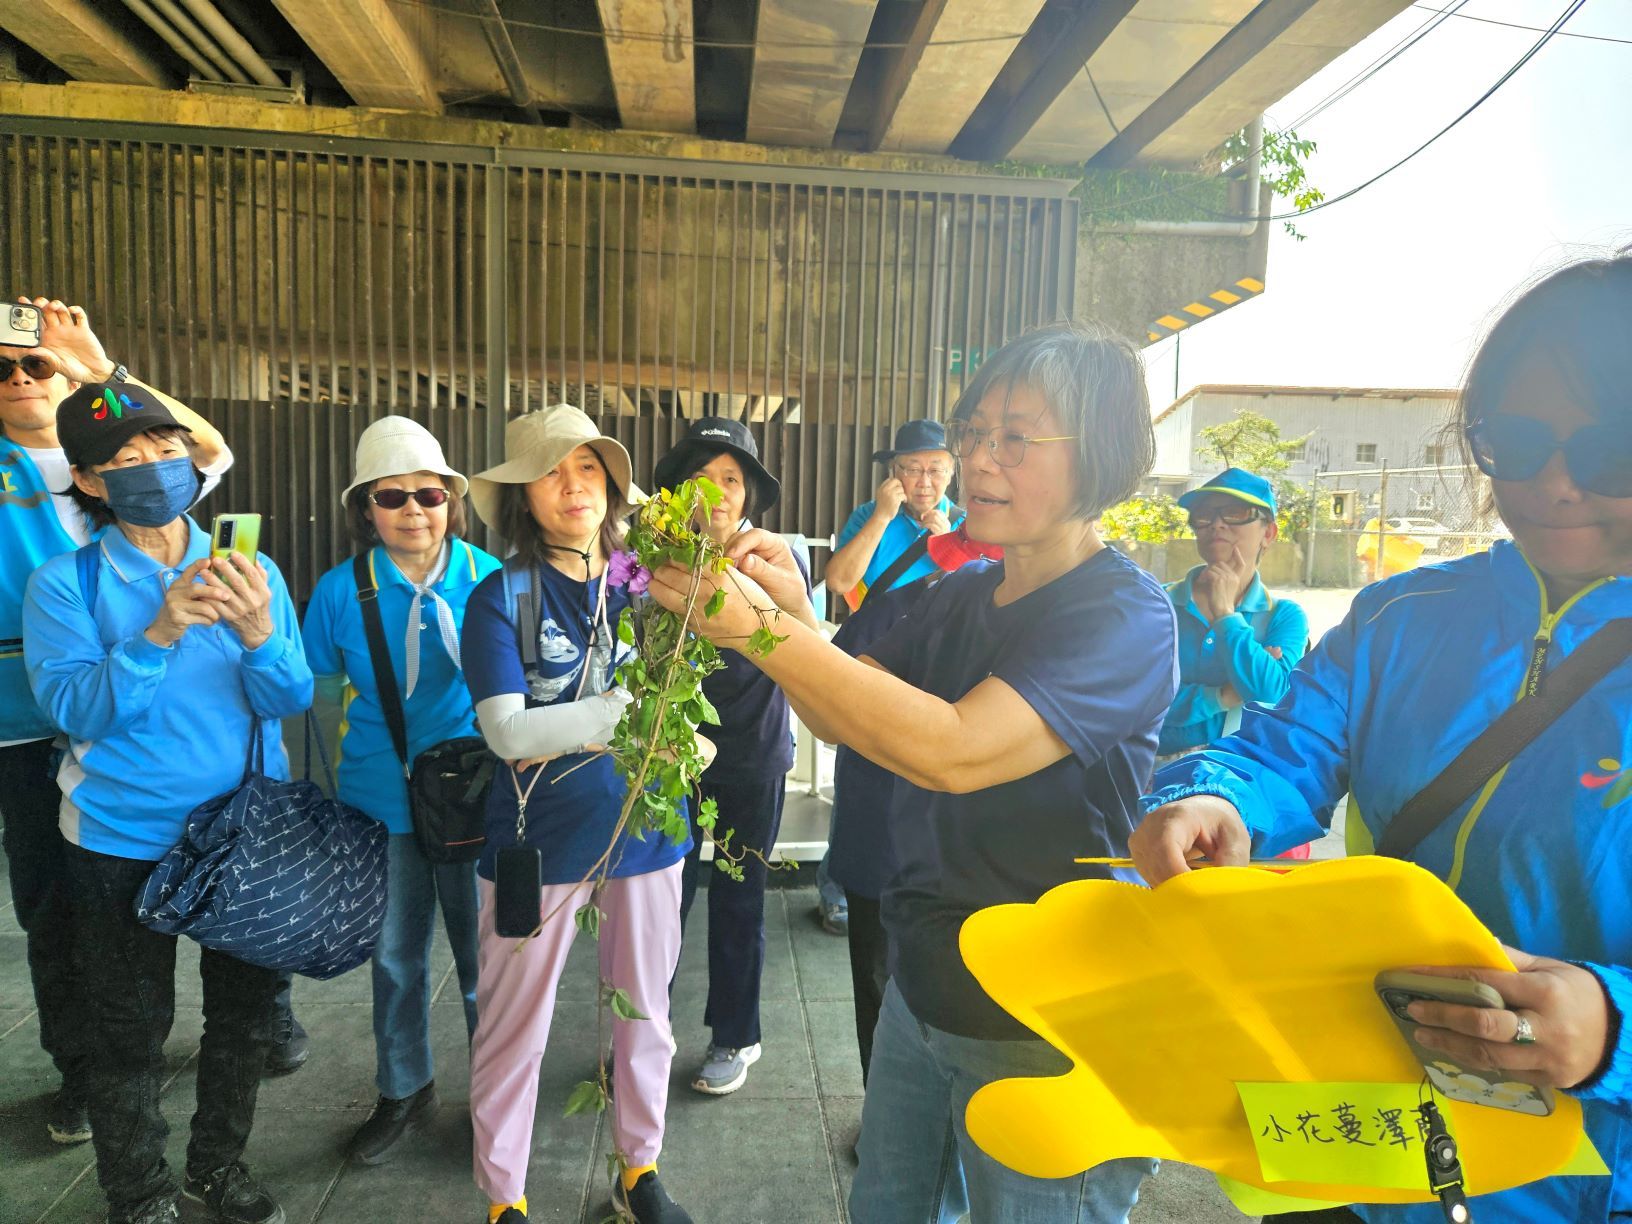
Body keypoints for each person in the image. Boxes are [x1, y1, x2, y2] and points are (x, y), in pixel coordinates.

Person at [1130, 254, 1632, 1223]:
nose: (1557, 485)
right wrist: (1215, 798)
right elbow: (1284, 744)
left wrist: (1613, 1028)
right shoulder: (1403, 616)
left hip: (1590, 1180)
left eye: (1614, 450)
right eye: (1520, 443)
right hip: (1368, 1132)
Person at [648, 322, 1177, 1223]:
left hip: (1050, 1021)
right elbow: (840, 707)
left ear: (1103, 457)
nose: (978, 460)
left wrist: (755, 630)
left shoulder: (1125, 615)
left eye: (1016, 437)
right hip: (926, 992)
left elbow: (955, 749)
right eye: (976, 432)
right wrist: (789, 611)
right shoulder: (960, 591)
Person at [22, 379, 312, 1224]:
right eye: (124, 459)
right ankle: (139, 1189)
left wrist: (259, 634)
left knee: (244, 1021)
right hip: (120, 840)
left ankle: (218, 1167)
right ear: (88, 482)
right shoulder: (64, 583)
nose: (152, 466)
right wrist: (159, 631)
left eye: (164, 449)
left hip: (243, 836)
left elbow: (289, 695)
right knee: (128, 1030)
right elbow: (74, 709)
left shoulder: (247, 566)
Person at [0, 297, 234, 1149]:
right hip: (29, 722)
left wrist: (101, 371)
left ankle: (256, 1018)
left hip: (153, 721)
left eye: (38, 364)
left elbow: (203, 449)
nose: (25, 378)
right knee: (59, 910)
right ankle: (83, 1073)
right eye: (5, 367)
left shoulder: (122, 459)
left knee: (220, 869)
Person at [460, 404, 693, 1224]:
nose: (572, 485)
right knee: (513, 1027)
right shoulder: (505, 596)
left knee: (647, 1016)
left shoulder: (652, 582)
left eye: (587, 466)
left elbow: (687, 697)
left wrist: (680, 738)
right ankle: (505, 1197)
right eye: (551, 472)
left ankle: (641, 1170)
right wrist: (627, 716)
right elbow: (509, 732)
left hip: (650, 836)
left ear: (611, 483)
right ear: (524, 497)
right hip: (541, 846)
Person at [301, 416, 501, 1163]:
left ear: (451, 500)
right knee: (393, 956)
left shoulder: (488, 580)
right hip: (378, 802)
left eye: (429, 493)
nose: (413, 510)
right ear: (367, 510)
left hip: (474, 795)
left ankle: (496, 1093)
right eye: (393, 497)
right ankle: (404, 1089)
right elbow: (319, 700)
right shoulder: (336, 592)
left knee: (486, 960)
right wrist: (318, 805)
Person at [652, 417, 815, 1097]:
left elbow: (809, 649)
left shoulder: (771, 561)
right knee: (661, 898)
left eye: (730, 480)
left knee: (741, 895)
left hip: (752, 754)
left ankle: (734, 1035)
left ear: (748, 496)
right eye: (700, 478)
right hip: (670, 758)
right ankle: (645, 1032)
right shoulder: (650, 554)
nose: (716, 494)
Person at [817, 419, 965, 934]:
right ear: (894, 474)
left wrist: (951, 549)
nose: (924, 480)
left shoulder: (969, 527)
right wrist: (883, 514)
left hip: (934, 677)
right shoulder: (870, 515)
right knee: (858, 772)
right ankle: (837, 885)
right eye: (911, 469)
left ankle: (912, 882)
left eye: (935, 469)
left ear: (951, 472)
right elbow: (839, 580)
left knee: (915, 779)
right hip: (870, 664)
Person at [1158, 467, 1309, 758]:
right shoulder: (1156, 603)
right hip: (1146, 771)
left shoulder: (1284, 616)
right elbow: (1138, 702)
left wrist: (1226, 616)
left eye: (1235, 512)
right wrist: (1224, 695)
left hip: (1234, 776)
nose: (1217, 524)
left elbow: (1271, 696)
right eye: (1204, 515)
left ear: (1269, 533)